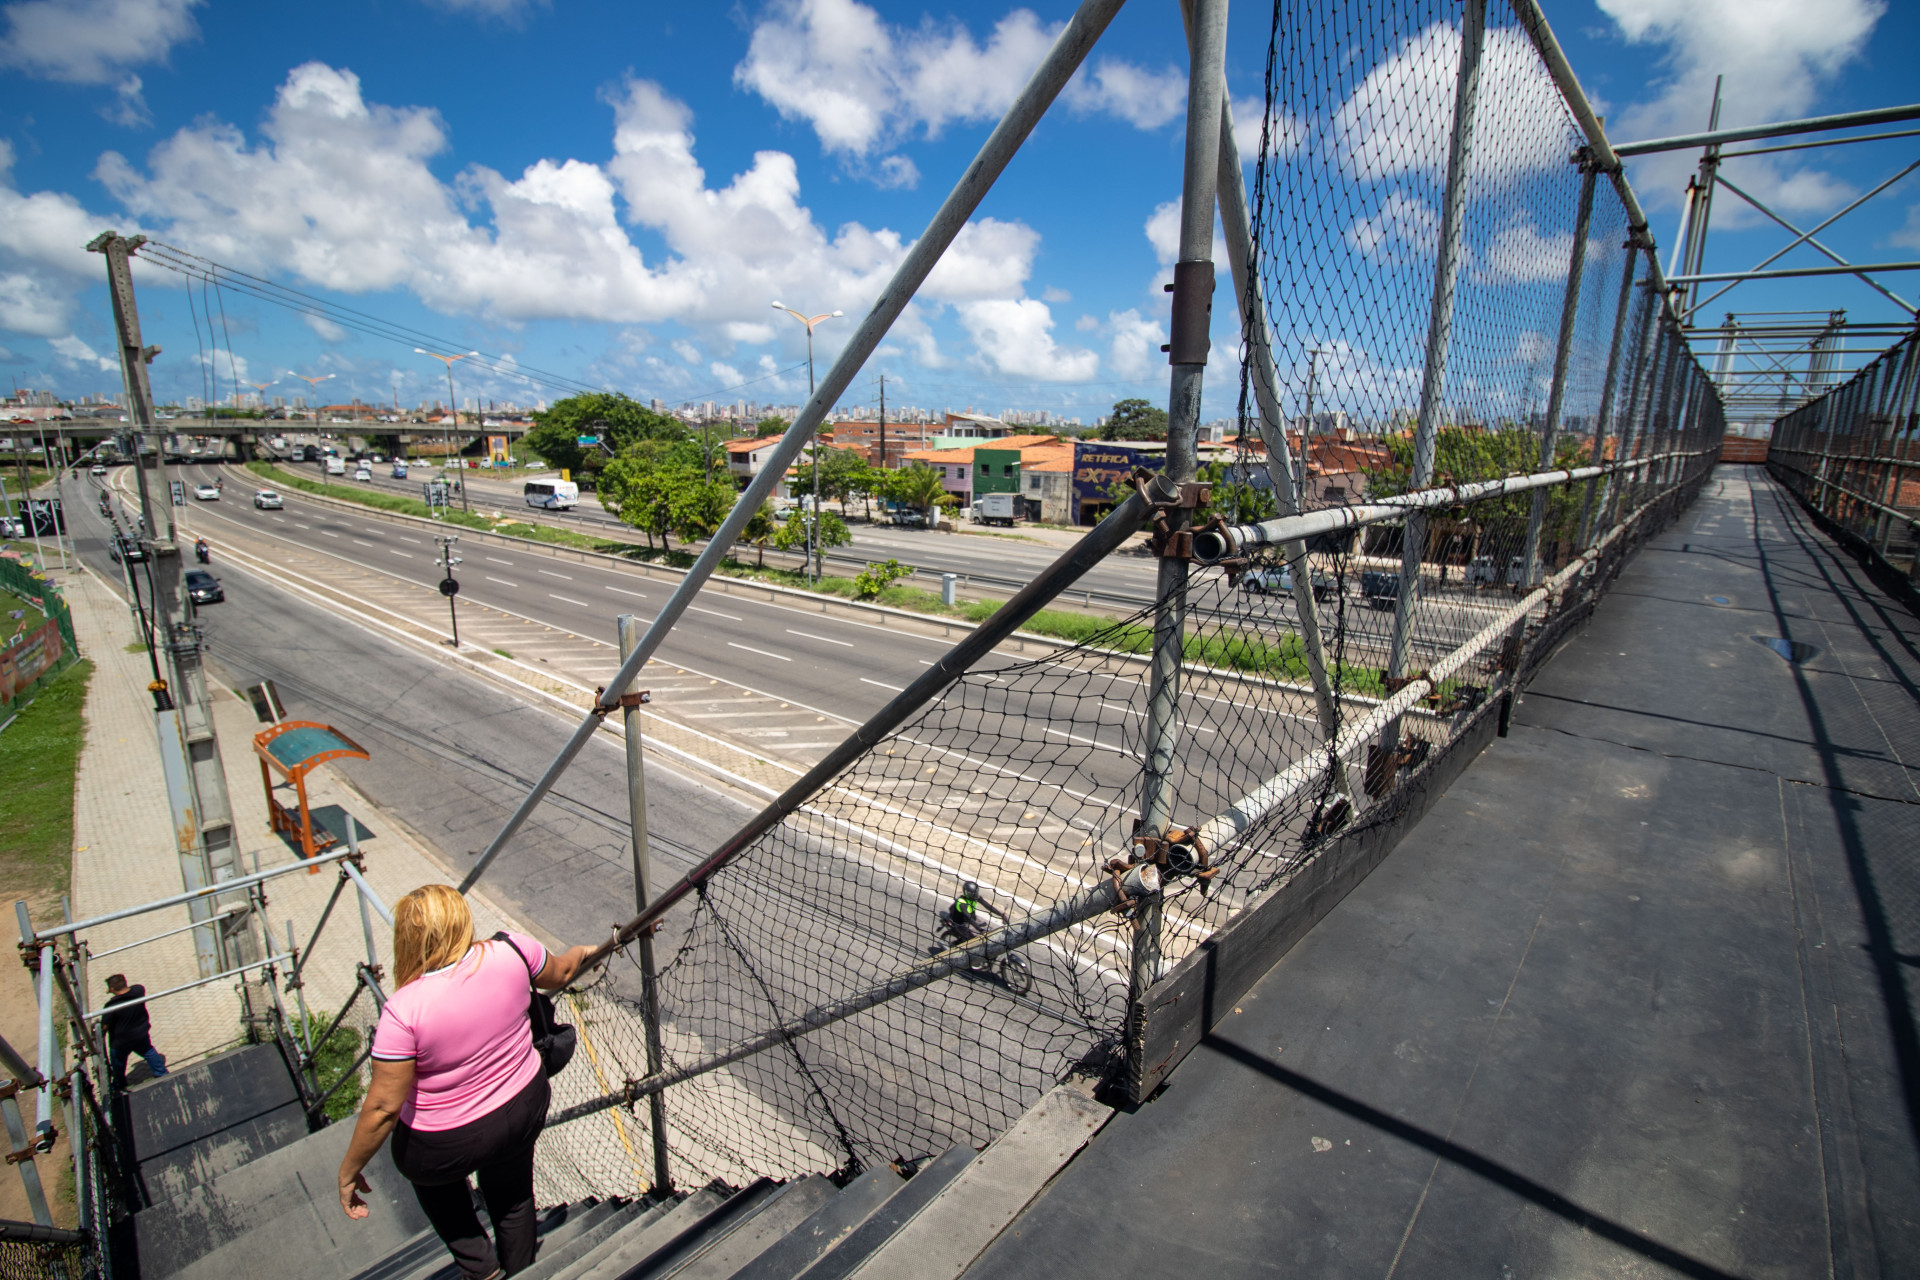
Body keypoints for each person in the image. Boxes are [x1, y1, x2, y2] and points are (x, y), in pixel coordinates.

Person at [338, 885, 593, 1280]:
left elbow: (384, 1108)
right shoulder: (511, 951)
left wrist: (350, 1170)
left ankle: (481, 1267)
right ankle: (521, 1270)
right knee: (513, 1196)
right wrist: (591, 949)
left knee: (434, 1186)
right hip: (522, 1107)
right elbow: (563, 970)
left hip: (443, 1143)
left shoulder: (402, 1010)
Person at [101, 974, 167, 1092]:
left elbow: (104, 1026)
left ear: (111, 989)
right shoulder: (139, 990)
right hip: (140, 1033)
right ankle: (162, 1073)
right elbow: (133, 988)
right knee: (149, 1052)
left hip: (121, 1041)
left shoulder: (111, 1006)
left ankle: (119, 1084)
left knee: (118, 1064)